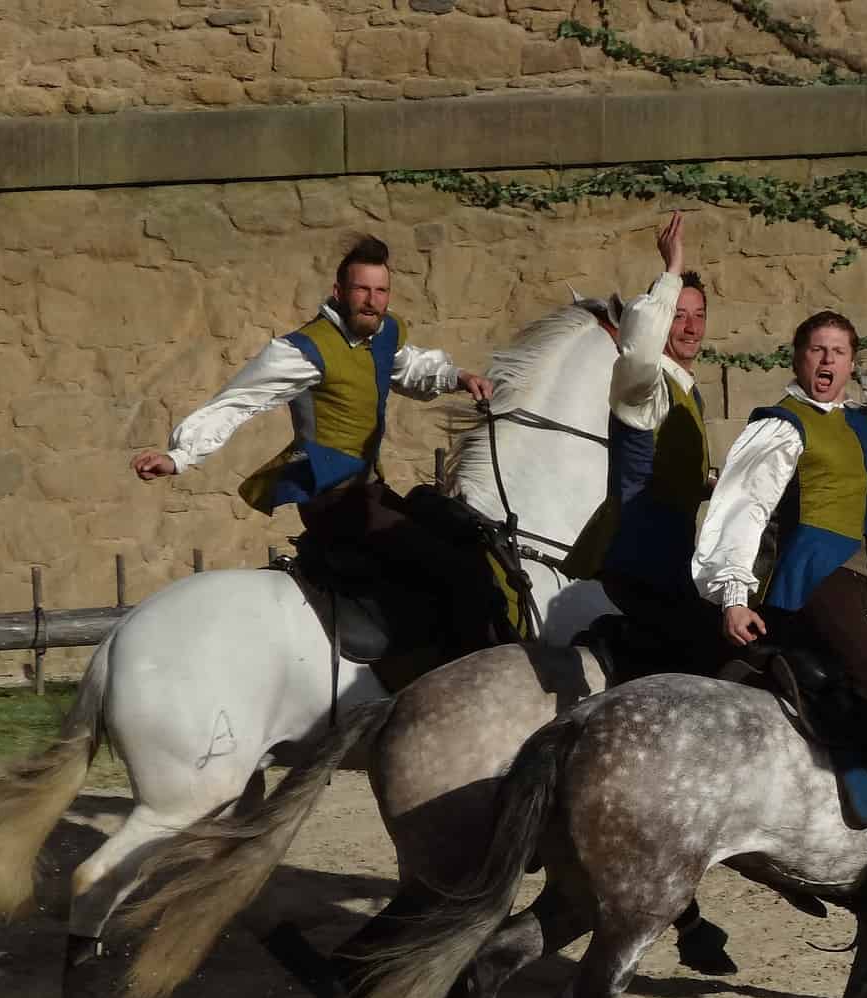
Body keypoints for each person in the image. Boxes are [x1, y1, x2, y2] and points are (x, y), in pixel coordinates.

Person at [132, 234, 516, 652]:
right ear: (339, 292)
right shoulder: (302, 350)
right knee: (454, 570)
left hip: (370, 492)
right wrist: (179, 455)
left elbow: (409, 366)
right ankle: (463, 672)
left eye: (381, 290)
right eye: (362, 289)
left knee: (462, 531)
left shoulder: (384, 333)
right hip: (331, 501)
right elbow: (240, 400)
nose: (372, 300)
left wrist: (458, 377)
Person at [693, 309, 867, 826]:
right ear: (798, 358)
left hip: (850, 581)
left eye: (838, 352)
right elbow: (743, 507)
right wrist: (733, 597)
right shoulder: (781, 426)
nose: (827, 360)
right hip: (809, 581)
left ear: (851, 364)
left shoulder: (859, 430)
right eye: (817, 349)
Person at [561, 212, 723, 673]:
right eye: (677, 317)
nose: (690, 328)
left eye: (698, 316)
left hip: (671, 561)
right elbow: (638, 350)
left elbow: (668, 475)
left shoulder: (689, 392)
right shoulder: (644, 387)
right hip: (639, 562)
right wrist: (670, 273)